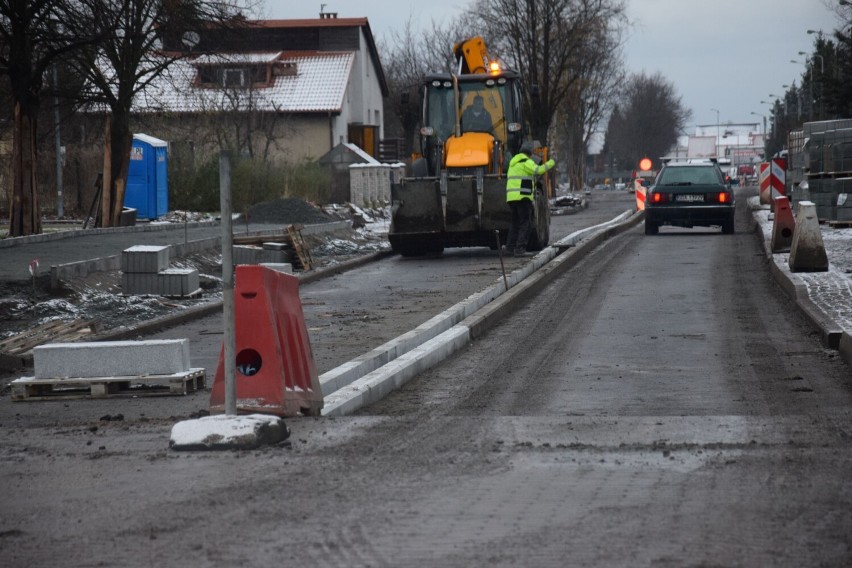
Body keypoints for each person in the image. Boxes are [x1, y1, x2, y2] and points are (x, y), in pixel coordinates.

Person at [505, 141, 555, 257]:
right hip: (523, 197)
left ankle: (510, 248)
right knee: (525, 223)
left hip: (511, 198)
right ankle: (520, 249)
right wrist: (551, 163)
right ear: (529, 153)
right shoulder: (525, 162)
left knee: (515, 223)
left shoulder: (513, 163)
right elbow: (539, 170)